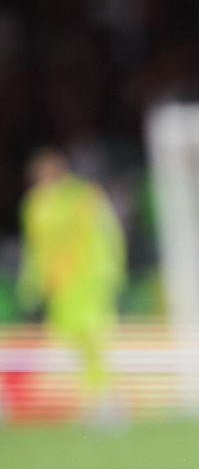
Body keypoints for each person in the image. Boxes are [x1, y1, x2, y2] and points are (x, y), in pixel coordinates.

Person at [18, 147, 126, 427]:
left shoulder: (84, 197)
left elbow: (106, 234)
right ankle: (97, 399)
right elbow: (36, 249)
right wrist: (33, 284)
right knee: (76, 343)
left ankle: (106, 402)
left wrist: (110, 269)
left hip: (89, 280)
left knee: (94, 339)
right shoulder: (35, 206)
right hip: (61, 286)